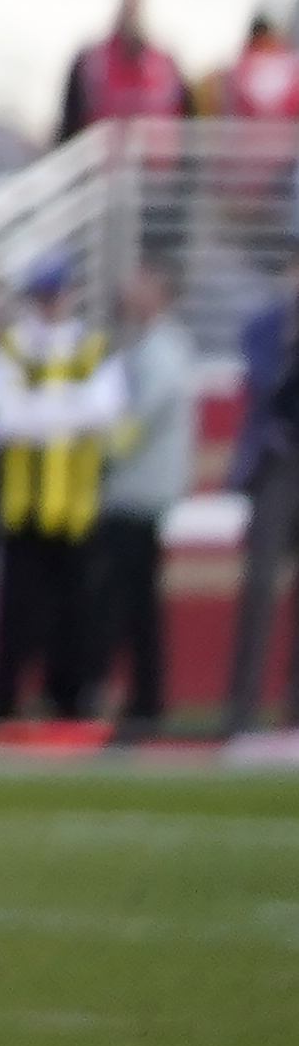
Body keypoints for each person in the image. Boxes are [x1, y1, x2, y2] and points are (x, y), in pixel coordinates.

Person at [0, 252, 120, 725]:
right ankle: (5, 702)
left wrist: (38, 410)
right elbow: (2, 419)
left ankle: (70, 699)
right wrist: (64, 412)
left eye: (55, 293)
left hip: (75, 504)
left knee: (76, 610)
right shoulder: (11, 346)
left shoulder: (93, 347)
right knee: (16, 610)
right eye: (41, 295)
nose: (49, 304)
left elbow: (103, 411)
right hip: (22, 502)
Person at [96, 258, 196, 740]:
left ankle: (143, 699)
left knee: (131, 600)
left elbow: (139, 417)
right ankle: (143, 698)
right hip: (135, 489)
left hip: (138, 490)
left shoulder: (163, 350)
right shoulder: (150, 347)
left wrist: (98, 451)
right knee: (136, 600)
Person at [224, 256, 299, 734]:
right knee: (259, 589)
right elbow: (264, 384)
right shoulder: (266, 326)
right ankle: (242, 711)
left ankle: (294, 711)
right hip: (277, 464)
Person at [62, 0, 191, 138]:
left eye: (136, 1)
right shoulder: (91, 63)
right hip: (105, 158)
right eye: (127, 2)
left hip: (153, 159)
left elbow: (185, 125)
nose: (132, 9)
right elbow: (69, 128)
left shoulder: (167, 66)